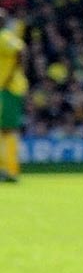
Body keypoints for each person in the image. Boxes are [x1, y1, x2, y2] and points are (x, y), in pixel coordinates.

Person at [0, 16, 25, 184]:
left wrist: (9, 77)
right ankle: (6, 169)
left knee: (8, 129)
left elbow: (20, 51)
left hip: (9, 88)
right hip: (6, 88)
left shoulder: (3, 36)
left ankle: (10, 170)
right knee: (4, 130)